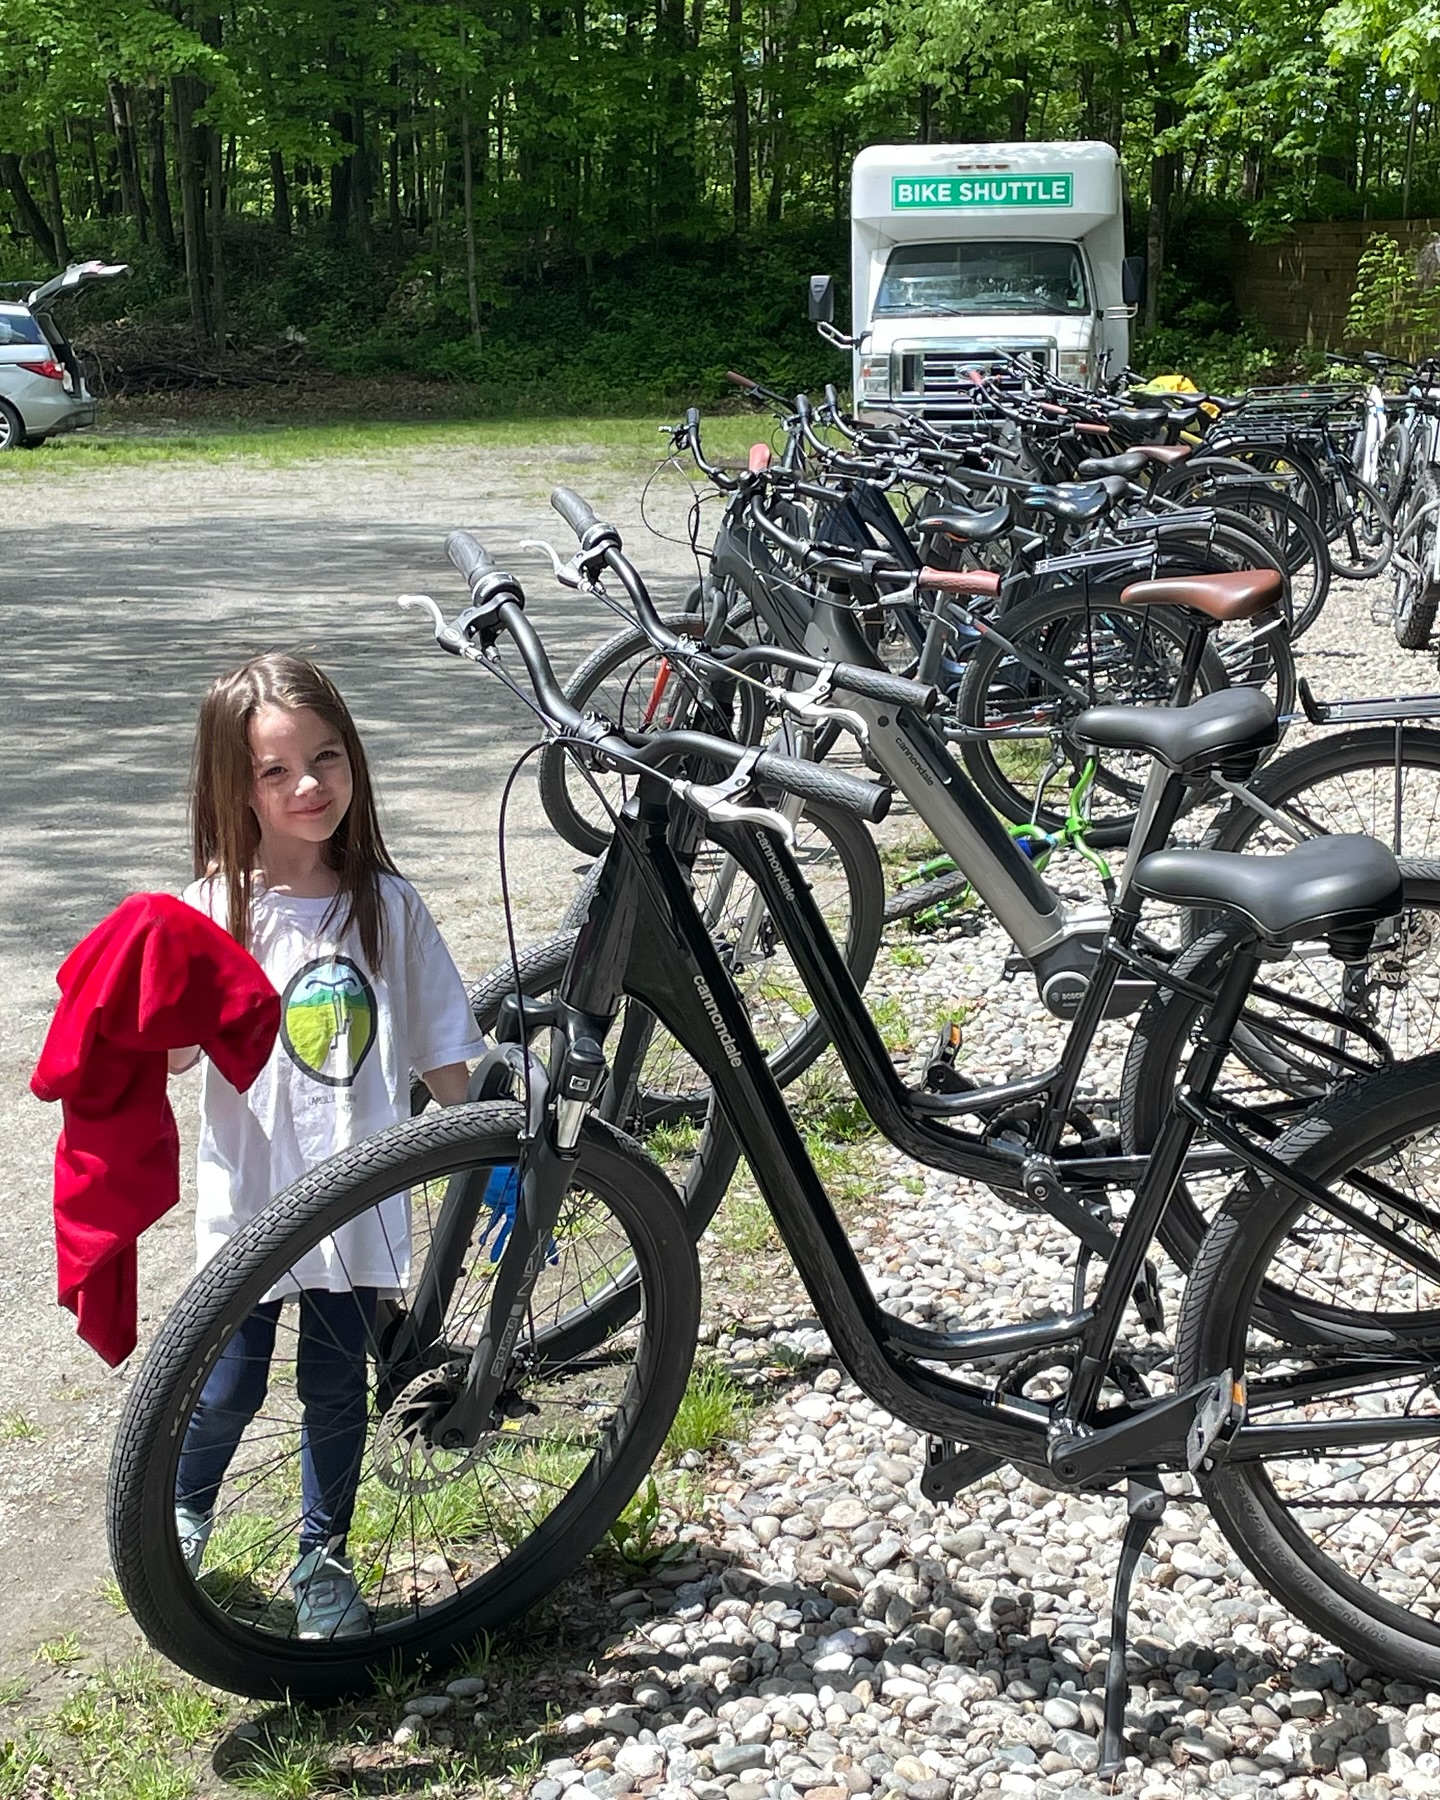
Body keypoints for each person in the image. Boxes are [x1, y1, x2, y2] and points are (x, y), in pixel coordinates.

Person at [168, 652, 485, 1639]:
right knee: (227, 1384)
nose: (308, 785)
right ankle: (178, 1516)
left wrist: (499, 1161)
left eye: (326, 758)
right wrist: (140, 994)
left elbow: (445, 1057)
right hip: (251, 1206)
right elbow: (175, 1054)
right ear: (235, 785)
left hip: (358, 1209)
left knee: (337, 1388)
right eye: (276, 770)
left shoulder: (387, 906)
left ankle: (322, 1559)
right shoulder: (209, 913)